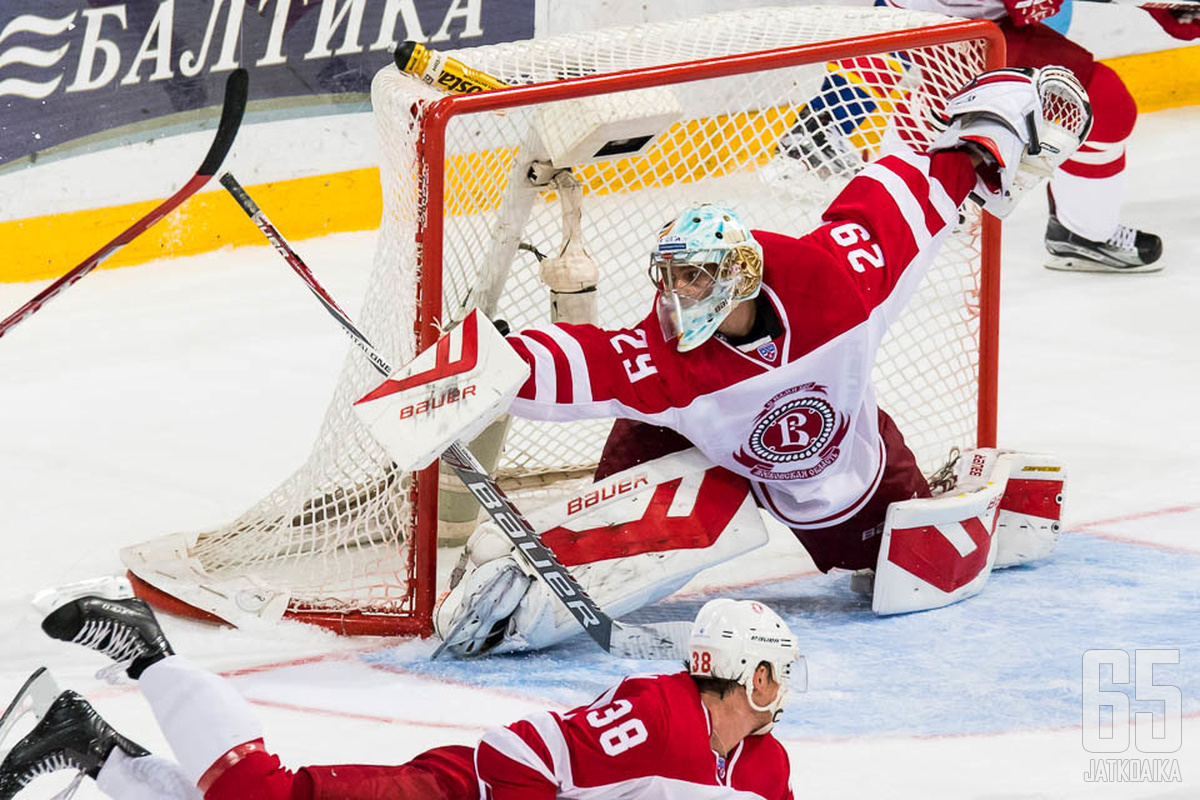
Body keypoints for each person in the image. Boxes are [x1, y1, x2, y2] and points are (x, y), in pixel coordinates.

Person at [424, 65, 1081, 657]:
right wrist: (479, 369)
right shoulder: (665, 358)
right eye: (672, 278)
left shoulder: (837, 287)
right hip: (682, 438)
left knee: (898, 572)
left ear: (740, 278)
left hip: (824, 458)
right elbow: (580, 359)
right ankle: (535, 580)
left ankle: (979, 499)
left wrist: (982, 143)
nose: (679, 295)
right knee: (614, 551)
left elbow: (906, 202)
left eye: (697, 280)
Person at [0, 595, 801, 799]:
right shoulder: (659, 714)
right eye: (775, 669)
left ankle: (87, 741)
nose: (781, 687)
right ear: (748, 672)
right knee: (259, 795)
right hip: (455, 791)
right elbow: (521, 750)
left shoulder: (766, 769)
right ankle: (146, 652)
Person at [871, 0, 1200, 272]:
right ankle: (1084, 234)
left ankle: (901, 191)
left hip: (966, 17)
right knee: (1104, 104)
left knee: (948, 94)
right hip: (950, 23)